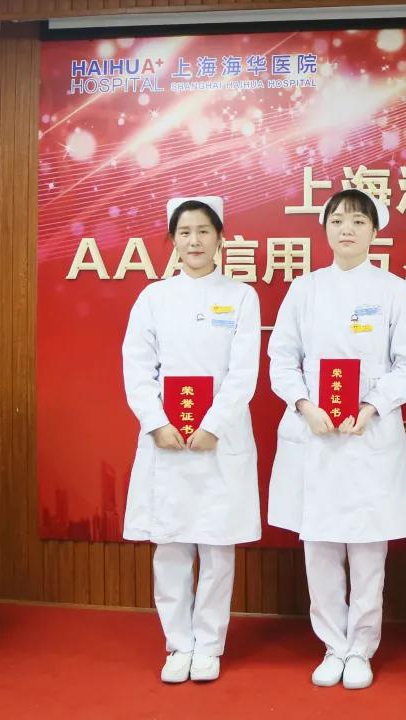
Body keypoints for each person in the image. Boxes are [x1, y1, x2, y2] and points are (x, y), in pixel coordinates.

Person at [267, 188, 406, 690]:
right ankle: (333, 645)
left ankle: (361, 649)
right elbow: (281, 360)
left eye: (357, 220)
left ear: (375, 231)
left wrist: (372, 405)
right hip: (316, 434)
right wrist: (305, 406)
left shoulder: (394, 290)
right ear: (325, 229)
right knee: (321, 548)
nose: (346, 229)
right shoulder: (304, 289)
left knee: (369, 551)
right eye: (337, 220)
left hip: (369, 433)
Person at [122, 196, 262, 684]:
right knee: (171, 546)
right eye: (185, 232)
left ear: (221, 238)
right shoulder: (153, 298)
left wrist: (214, 424)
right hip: (167, 440)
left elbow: (243, 373)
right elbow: (137, 367)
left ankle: (209, 645)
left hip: (218, 439)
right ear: (173, 240)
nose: (195, 241)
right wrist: (156, 422)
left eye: (204, 231)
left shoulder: (241, 296)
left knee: (218, 546)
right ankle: (178, 643)